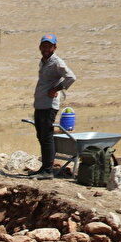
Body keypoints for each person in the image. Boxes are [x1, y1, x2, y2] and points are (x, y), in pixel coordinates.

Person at [31, 34, 76, 179]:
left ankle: (48, 170)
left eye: (49, 46)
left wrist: (57, 89)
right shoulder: (44, 61)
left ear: (54, 48)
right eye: (44, 46)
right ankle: (44, 168)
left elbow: (71, 77)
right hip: (40, 103)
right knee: (41, 135)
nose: (46, 49)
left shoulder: (56, 62)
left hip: (49, 105)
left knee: (47, 136)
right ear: (40, 47)